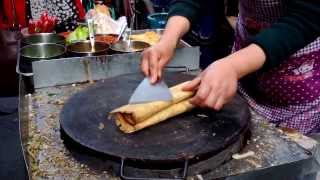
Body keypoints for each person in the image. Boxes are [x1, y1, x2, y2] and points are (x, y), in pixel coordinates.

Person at [141, 0, 320, 134]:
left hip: (296, 72)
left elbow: (307, 16)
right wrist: (168, 39)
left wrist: (234, 66)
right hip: (246, 56)